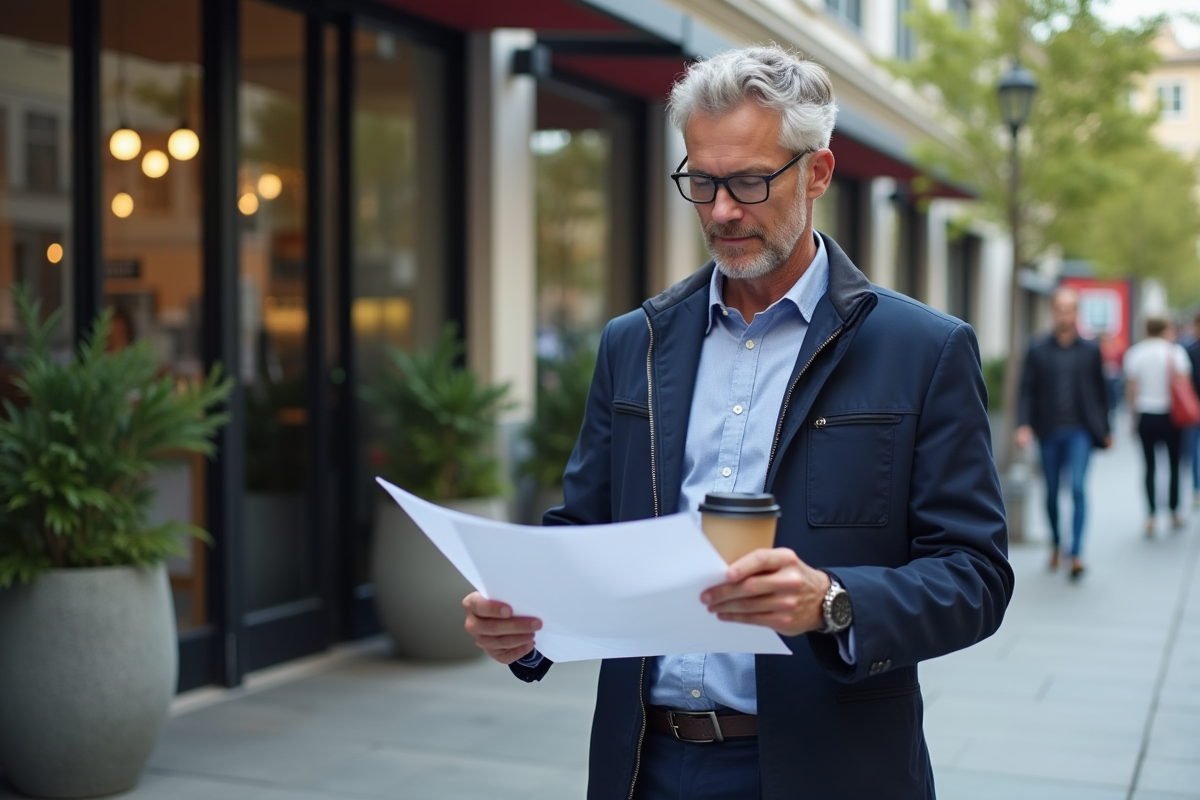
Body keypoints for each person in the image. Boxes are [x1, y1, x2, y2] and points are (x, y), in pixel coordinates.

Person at [462, 47, 1013, 800]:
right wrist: (525, 625)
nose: (721, 210)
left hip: (833, 770)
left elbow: (975, 577)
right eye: (702, 180)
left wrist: (832, 601)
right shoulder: (637, 340)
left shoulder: (925, 349)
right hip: (642, 768)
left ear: (816, 174)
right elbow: (585, 531)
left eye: (750, 181)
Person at [1014, 287, 1112, 579]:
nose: (1064, 314)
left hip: (1080, 431)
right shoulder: (1037, 348)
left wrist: (1106, 428)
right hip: (1048, 430)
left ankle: (1077, 552)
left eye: (1070, 309)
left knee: (1079, 488)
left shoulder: (1091, 350)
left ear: (1076, 313)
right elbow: (1026, 390)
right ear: (1053, 311)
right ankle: (1057, 542)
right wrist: (1023, 424)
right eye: (1060, 309)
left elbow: (1102, 393)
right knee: (1052, 492)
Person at [1124, 316, 1192, 535]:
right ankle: (1173, 511)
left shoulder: (1135, 353)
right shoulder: (1175, 352)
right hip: (1171, 415)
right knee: (1174, 465)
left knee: (1149, 466)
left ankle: (1151, 514)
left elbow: (1132, 389)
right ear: (1165, 329)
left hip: (1146, 413)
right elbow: (1184, 382)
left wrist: (1133, 417)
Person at [1184, 313, 1200, 506]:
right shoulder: (1188, 350)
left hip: (1193, 406)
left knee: (1194, 450)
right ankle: (1197, 486)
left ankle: (1197, 487)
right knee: (1193, 450)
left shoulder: (1188, 350)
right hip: (1193, 407)